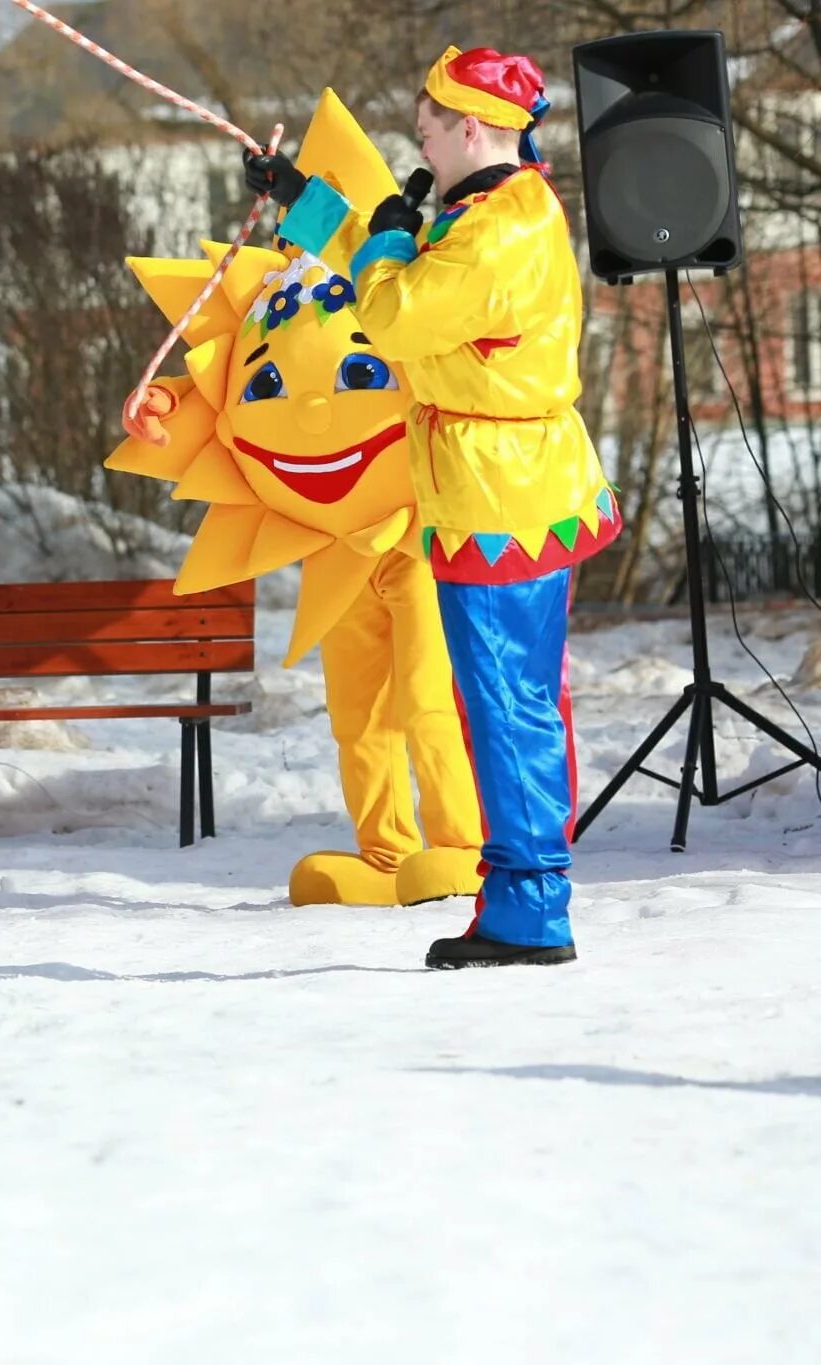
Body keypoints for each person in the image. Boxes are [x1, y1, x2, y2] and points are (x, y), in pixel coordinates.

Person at [245, 46, 620, 969]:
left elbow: (394, 310)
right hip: (505, 483)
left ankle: (531, 907)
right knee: (509, 698)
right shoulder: (488, 209)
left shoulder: (500, 233)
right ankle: (523, 888)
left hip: (501, 495)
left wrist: (377, 240)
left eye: (426, 134)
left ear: (471, 129)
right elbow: (396, 254)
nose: (420, 147)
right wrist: (304, 199)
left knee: (504, 703)